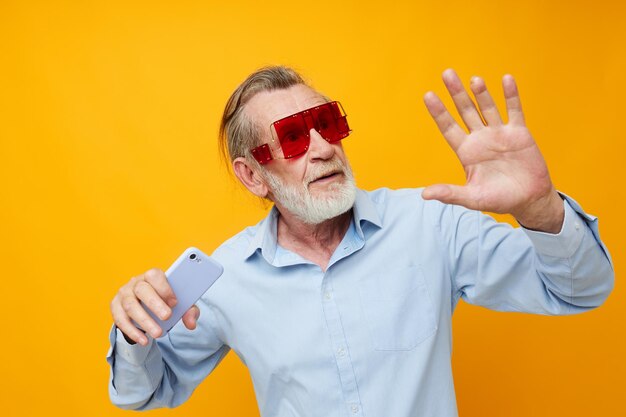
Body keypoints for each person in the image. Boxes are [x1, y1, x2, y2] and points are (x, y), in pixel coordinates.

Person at [107, 66, 614, 416]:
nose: (325, 147)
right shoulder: (227, 278)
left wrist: (539, 207)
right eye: (294, 137)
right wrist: (134, 335)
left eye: (327, 124)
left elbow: (579, 289)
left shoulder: (430, 222)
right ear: (254, 176)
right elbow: (145, 394)